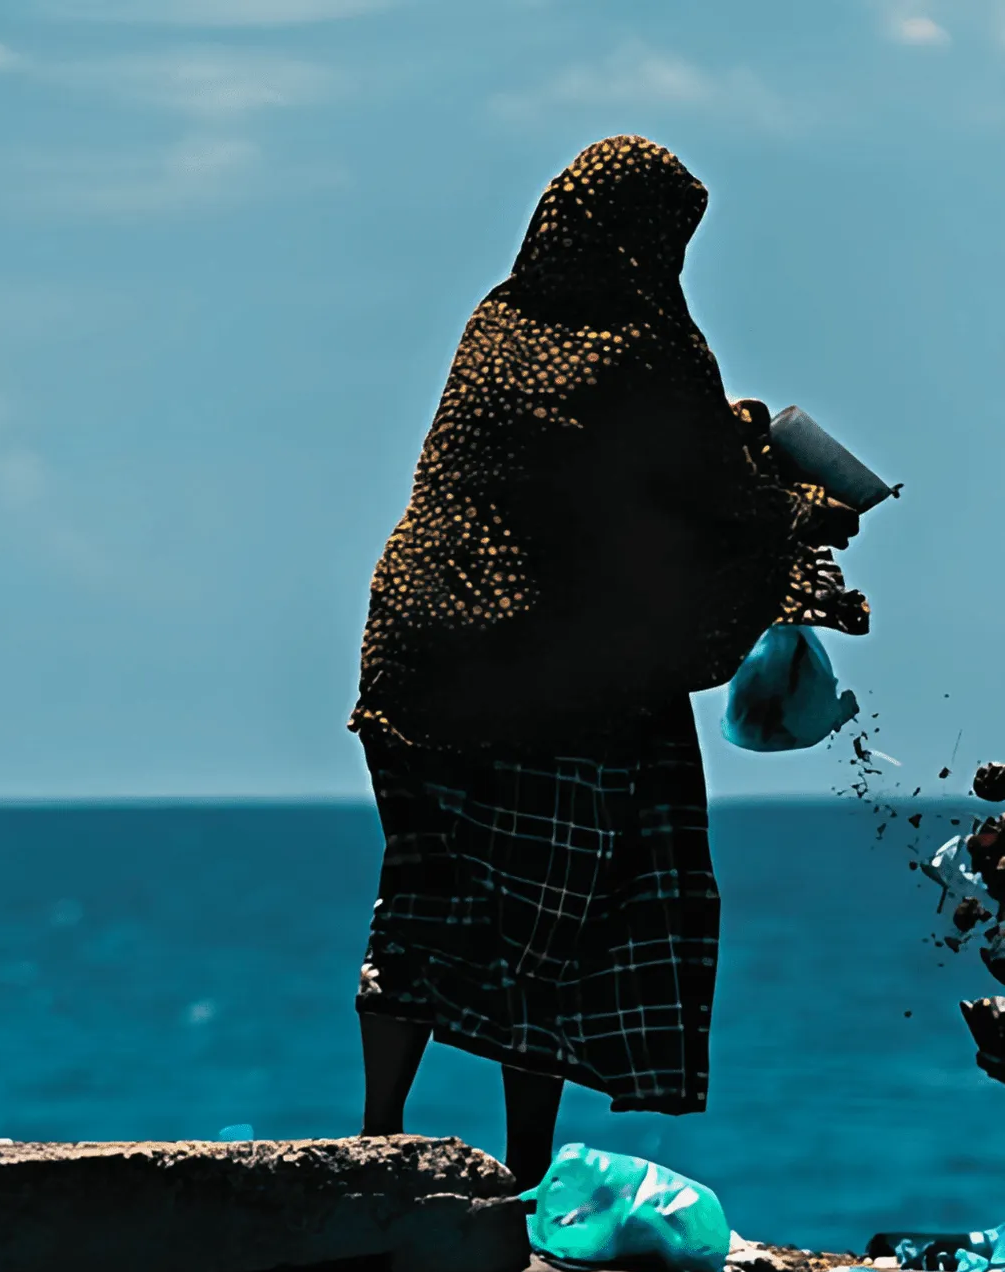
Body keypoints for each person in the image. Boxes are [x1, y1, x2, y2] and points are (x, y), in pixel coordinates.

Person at [347, 135, 869, 1189]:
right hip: (545, 678)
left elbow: (588, 464)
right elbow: (712, 497)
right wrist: (804, 513)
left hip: (411, 660)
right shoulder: (649, 347)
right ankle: (526, 1179)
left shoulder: (497, 324)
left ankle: (377, 1136)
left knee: (425, 897)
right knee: (556, 920)